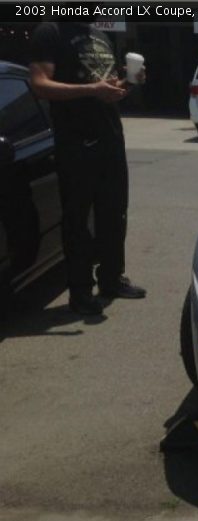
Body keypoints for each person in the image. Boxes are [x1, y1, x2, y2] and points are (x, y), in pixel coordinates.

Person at [29, 17, 146, 316]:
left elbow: (107, 87)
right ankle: (80, 293)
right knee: (79, 220)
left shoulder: (101, 34)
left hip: (110, 137)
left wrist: (128, 84)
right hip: (75, 142)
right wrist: (92, 89)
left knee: (114, 212)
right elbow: (40, 84)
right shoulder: (50, 31)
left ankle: (111, 279)